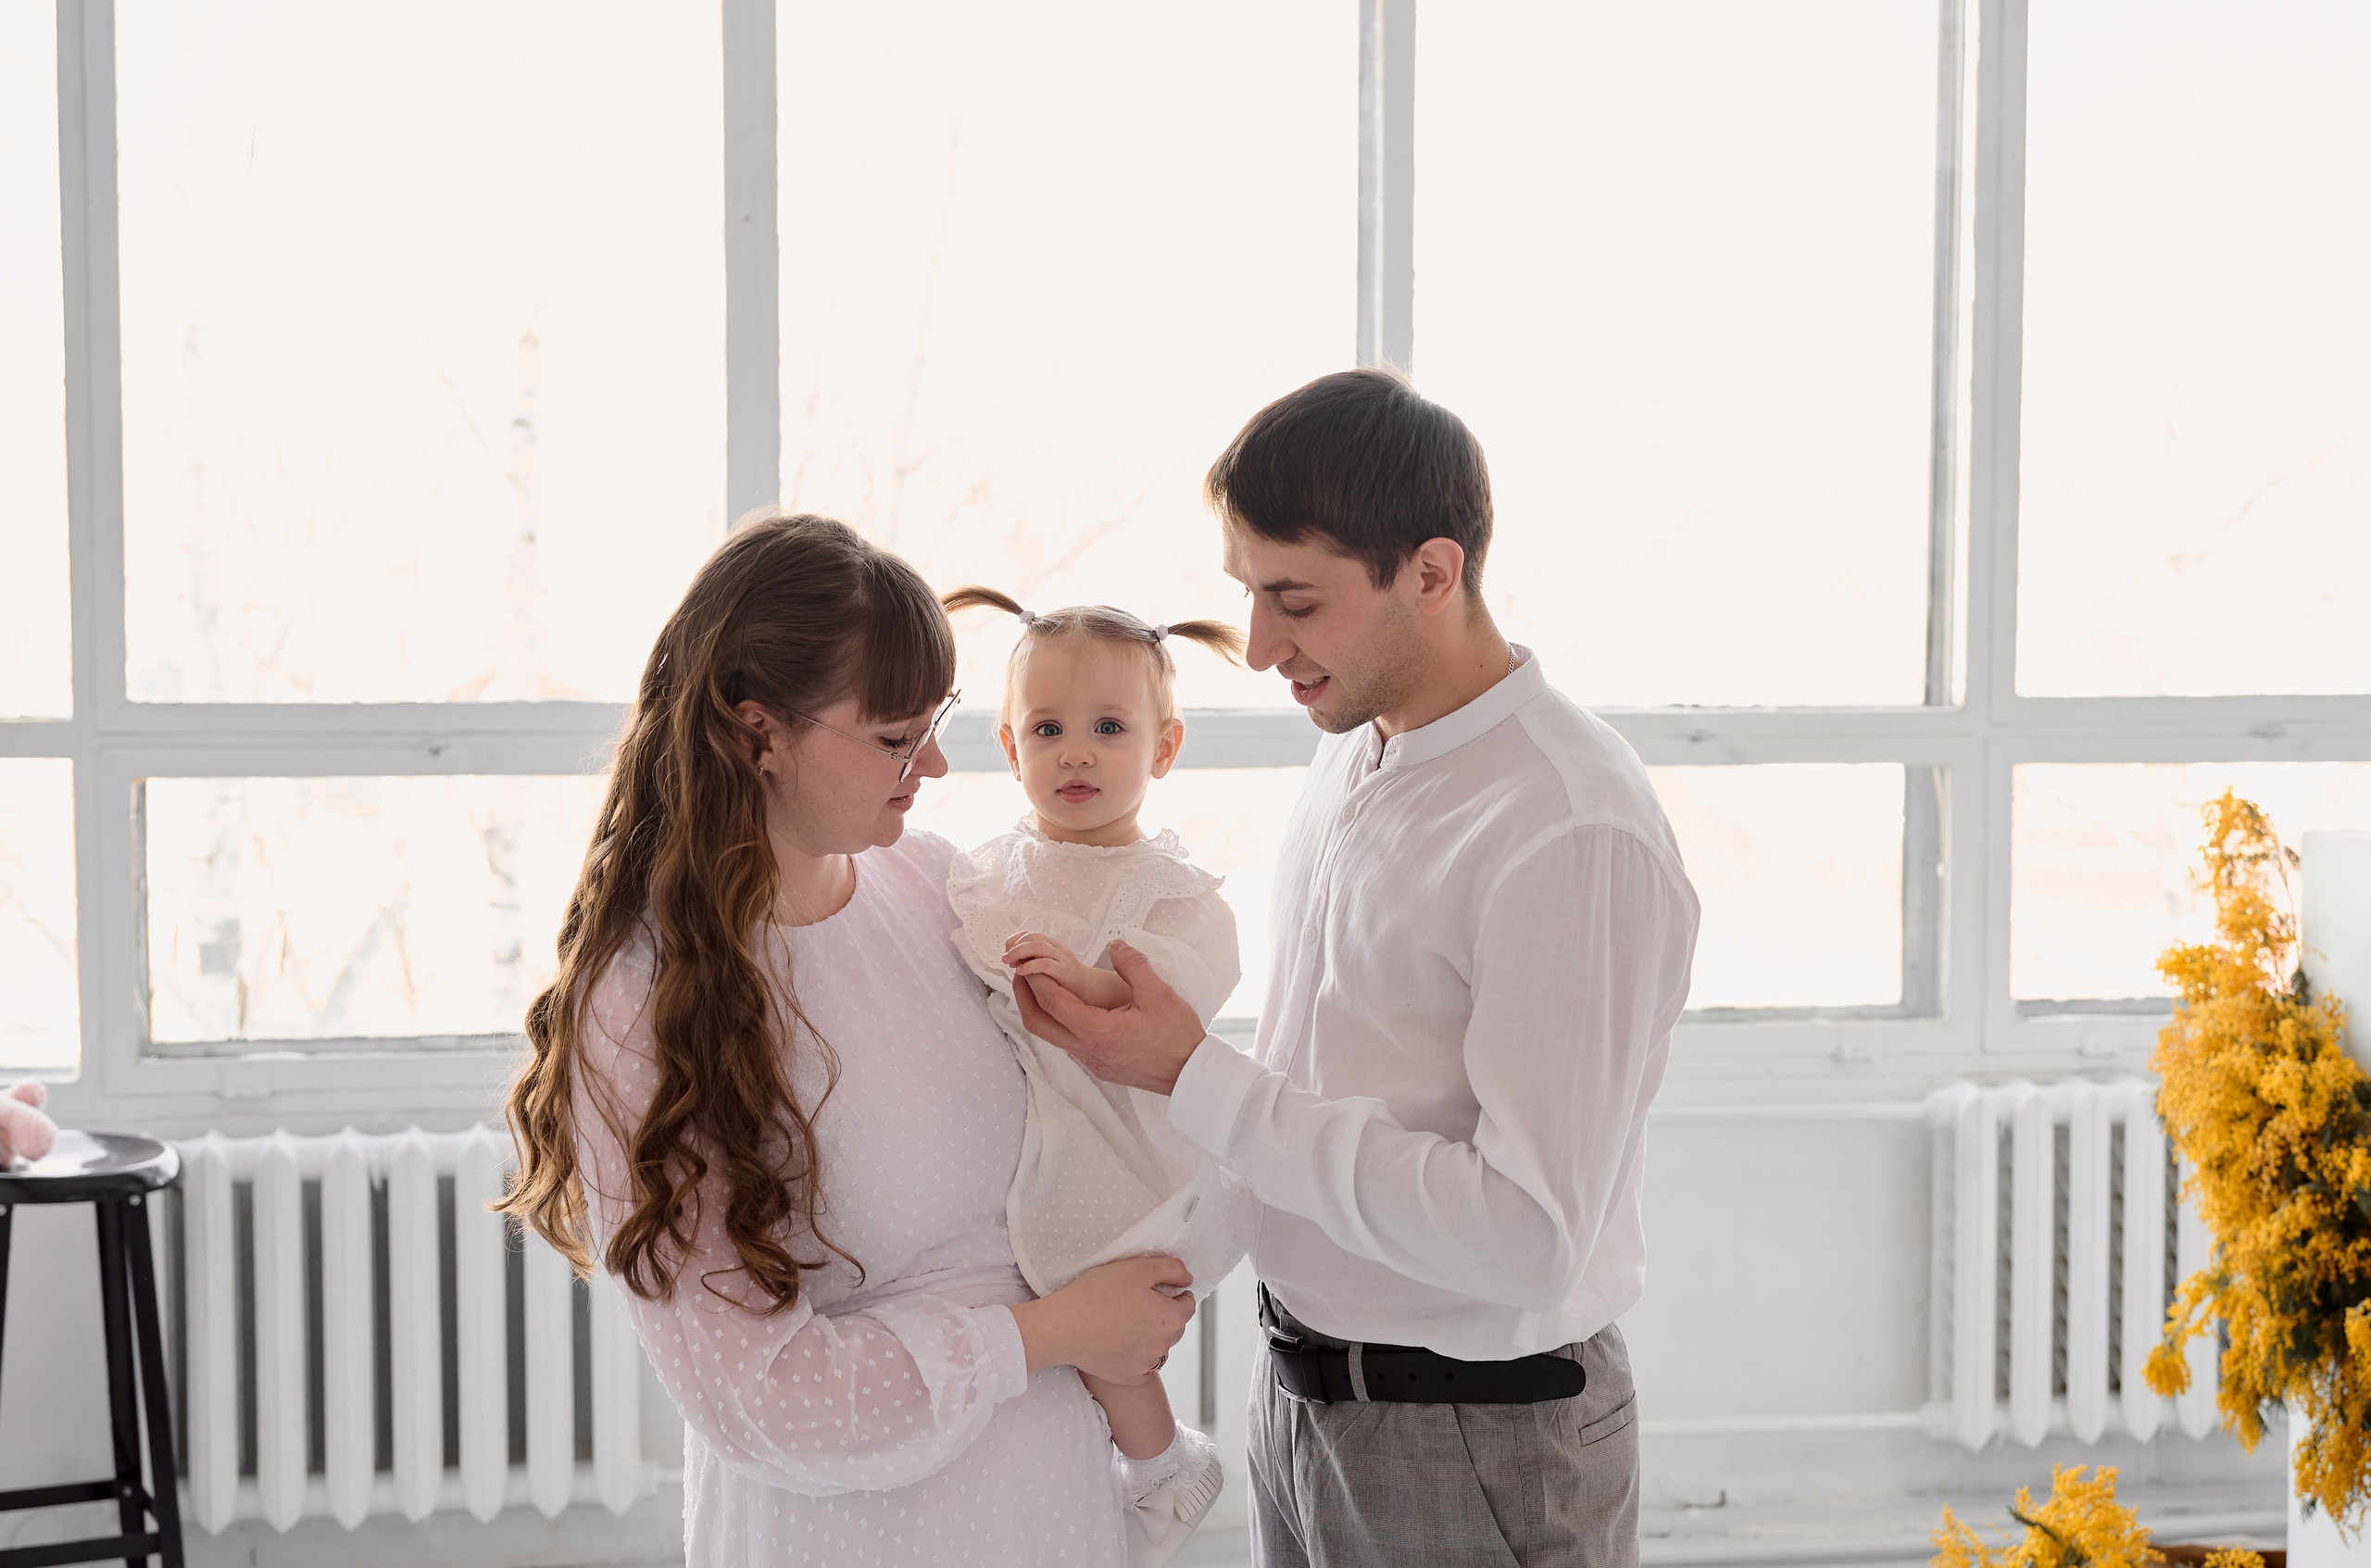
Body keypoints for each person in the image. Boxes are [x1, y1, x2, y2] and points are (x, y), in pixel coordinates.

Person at [1013, 370, 1701, 1567]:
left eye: (1296, 601)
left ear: (1432, 573)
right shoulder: (1361, 744)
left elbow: (1528, 1234)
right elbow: (1333, 1063)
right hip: (1310, 1395)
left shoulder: (1568, 828)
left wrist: (1194, 1074)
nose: (1262, 644)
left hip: (1478, 1438)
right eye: (1249, 594)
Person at [500, 512, 1194, 1568]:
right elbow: (758, 1397)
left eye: (933, 722)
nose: (938, 765)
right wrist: (1057, 1332)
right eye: (892, 736)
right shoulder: (640, 1001)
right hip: (851, 1535)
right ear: (756, 732)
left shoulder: (936, 885)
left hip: (1053, 1510)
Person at [939, 586, 1260, 1562]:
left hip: (1120, 1132)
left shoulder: (1168, 889)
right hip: (1037, 1120)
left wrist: (1084, 975)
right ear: (1009, 746)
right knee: (1038, 1277)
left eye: (1108, 727)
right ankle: (1100, 1465)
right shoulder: (989, 868)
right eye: (1049, 727)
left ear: (1162, 748)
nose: (1075, 751)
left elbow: (1181, 991)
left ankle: (1163, 1461)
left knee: (1081, 1270)